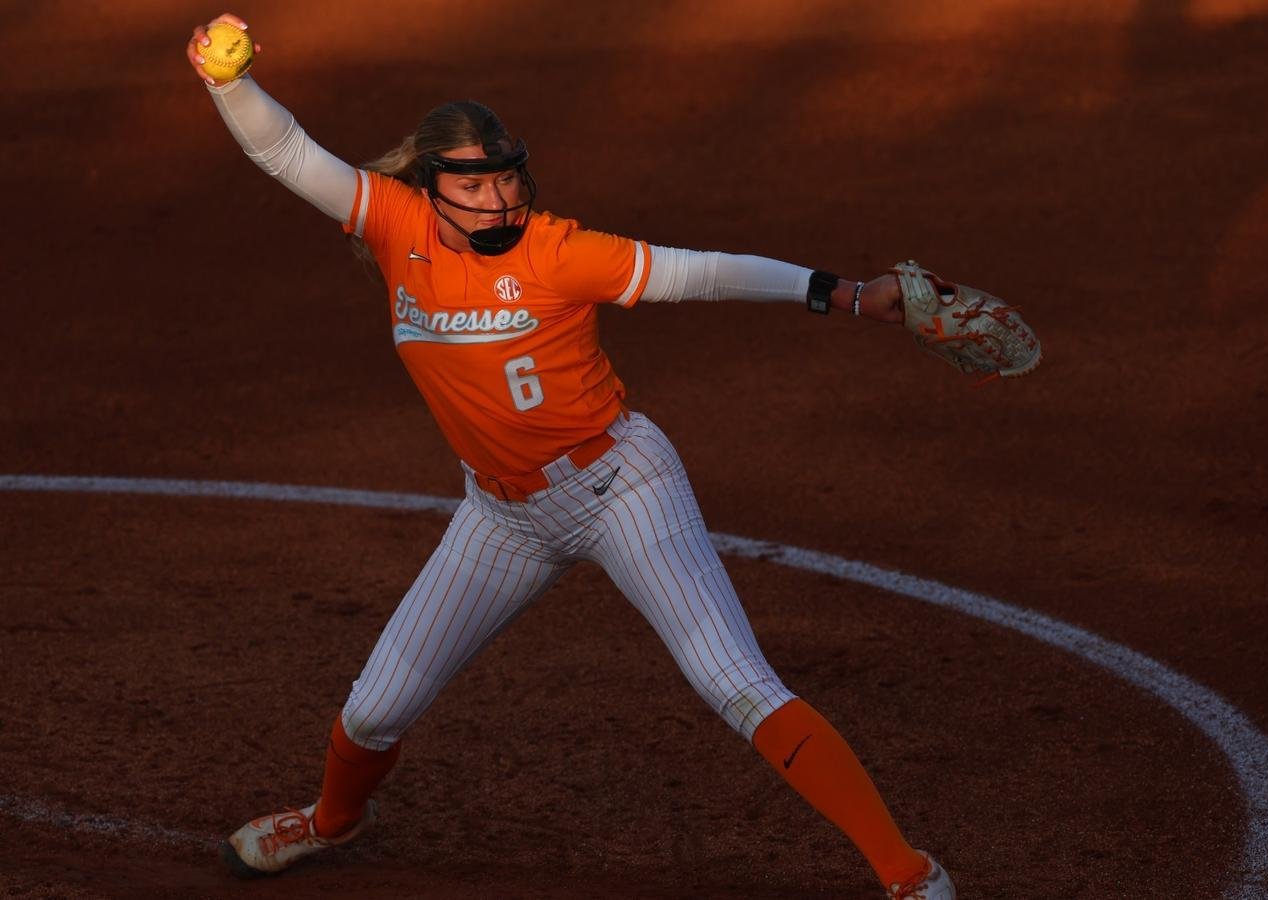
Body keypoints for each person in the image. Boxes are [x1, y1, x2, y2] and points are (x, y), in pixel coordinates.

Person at [187, 13, 956, 900]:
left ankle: (909, 876)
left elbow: (703, 271)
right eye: (473, 185)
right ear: (431, 187)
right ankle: (330, 821)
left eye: (506, 179)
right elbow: (285, 152)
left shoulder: (559, 252)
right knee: (374, 709)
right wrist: (226, 82)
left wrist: (847, 295)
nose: (497, 201)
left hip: (620, 487)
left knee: (735, 685)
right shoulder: (395, 224)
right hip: (501, 518)